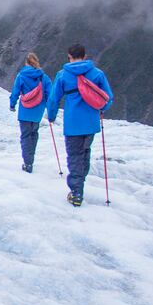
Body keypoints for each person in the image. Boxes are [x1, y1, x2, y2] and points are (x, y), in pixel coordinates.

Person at [46, 44, 113, 206]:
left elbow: (54, 99)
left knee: (74, 156)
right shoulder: (97, 74)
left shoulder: (63, 75)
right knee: (85, 152)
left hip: (72, 123)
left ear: (69, 57)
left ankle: (76, 192)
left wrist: (51, 116)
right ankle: (80, 181)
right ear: (85, 56)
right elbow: (108, 98)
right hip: (91, 123)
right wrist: (102, 109)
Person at [9, 52, 49, 173]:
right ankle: (31, 157)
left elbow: (15, 91)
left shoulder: (21, 76)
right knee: (34, 134)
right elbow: (49, 93)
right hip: (38, 111)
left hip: (25, 110)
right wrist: (49, 108)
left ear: (26, 63)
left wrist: (12, 105)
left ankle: (28, 163)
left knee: (25, 136)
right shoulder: (43, 77)